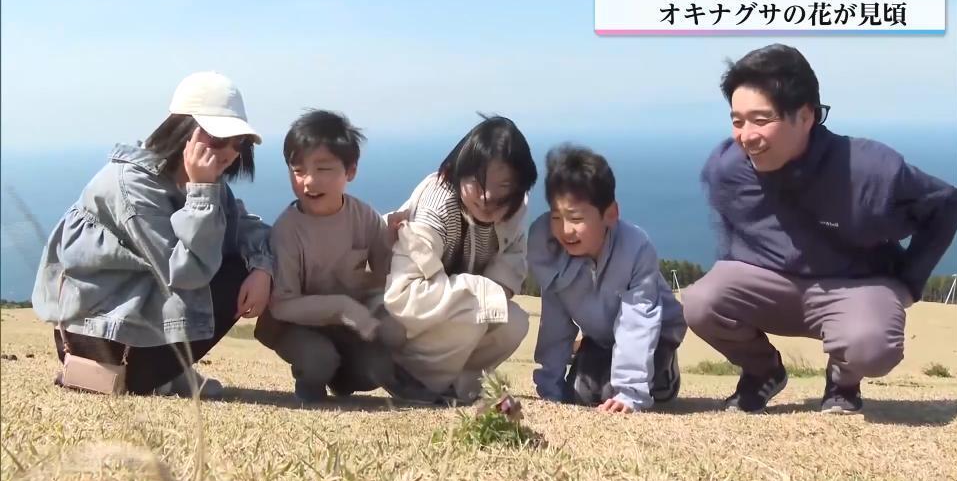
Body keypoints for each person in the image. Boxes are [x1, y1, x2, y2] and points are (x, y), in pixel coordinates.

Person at [684, 44, 957, 414]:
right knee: (701, 302)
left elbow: (946, 204)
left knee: (873, 347)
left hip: (855, 287)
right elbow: (732, 228)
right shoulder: (727, 168)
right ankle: (763, 371)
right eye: (737, 121)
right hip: (772, 286)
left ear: (806, 116)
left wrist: (910, 281)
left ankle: (843, 378)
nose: (746, 136)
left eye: (761, 120)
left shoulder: (869, 169)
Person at [32, 71, 274, 397]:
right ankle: (155, 377)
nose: (231, 152)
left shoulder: (200, 180)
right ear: (183, 130)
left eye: (239, 142)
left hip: (133, 334)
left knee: (241, 265)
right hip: (106, 347)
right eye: (218, 139)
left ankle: (168, 376)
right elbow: (187, 275)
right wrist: (202, 193)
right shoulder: (133, 186)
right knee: (227, 270)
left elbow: (245, 228)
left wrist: (262, 268)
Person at [254, 110, 412, 402]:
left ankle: (343, 379)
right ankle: (311, 384)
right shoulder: (287, 231)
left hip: (344, 326)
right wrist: (342, 307)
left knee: (381, 361)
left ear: (350, 171)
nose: (309, 182)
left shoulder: (363, 216)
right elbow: (283, 306)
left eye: (323, 169)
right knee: (319, 359)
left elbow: (386, 276)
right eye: (298, 170)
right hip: (292, 327)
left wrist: (393, 240)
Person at [383, 115, 538, 403]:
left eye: (504, 186)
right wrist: (482, 292)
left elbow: (512, 261)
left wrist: (489, 293)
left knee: (514, 321)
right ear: (456, 171)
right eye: (478, 182)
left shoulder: (514, 209)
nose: (488, 197)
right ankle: (411, 378)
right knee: (478, 310)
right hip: (397, 324)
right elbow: (403, 296)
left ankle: (457, 387)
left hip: (446, 312)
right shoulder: (437, 207)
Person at [528, 144, 686, 414]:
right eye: (556, 217)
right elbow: (554, 320)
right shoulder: (548, 247)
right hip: (601, 338)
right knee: (581, 394)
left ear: (610, 214)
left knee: (634, 394)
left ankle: (664, 367)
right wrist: (550, 387)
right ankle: (601, 365)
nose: (565, 230)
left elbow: (638, 320)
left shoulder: (636, 249)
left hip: (656, 332)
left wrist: (630, 393)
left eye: (576, 218)